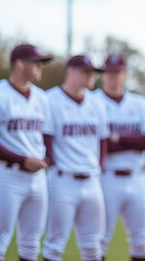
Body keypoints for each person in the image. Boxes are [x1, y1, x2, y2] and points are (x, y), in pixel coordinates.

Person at [0, 44, 52, 261]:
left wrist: (46, 159)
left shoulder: (42, 98)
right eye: (36, 62)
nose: (40, 66)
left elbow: (47, 137)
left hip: (38, 179)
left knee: (32, 247)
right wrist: (23, 160)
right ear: (19, 63)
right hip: (7, 176)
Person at [42, 55, 109, 261]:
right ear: (70, 71)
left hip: (92, 181)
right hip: (63, 180)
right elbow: (46, 139)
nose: (91, 76)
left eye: (93, 72)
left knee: (93, 247)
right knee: (54, 245)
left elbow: (103, 141)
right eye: (86, 71)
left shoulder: (96, 103)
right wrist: (55, 165)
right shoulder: (50, 99)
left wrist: (97, 167)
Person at [94, 54, 145, 261]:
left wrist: (117, 138)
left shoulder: (140, 103)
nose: (112, 76)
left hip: (138, 178)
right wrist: (132, 141)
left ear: (125, 74)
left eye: (117, 72)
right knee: (99, 241)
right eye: (109, 72)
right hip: (106, 178)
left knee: (142, 242)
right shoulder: (93, 101)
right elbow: (96, 144)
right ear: (103, 74)